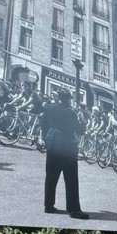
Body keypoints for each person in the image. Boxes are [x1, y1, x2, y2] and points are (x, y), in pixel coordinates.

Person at [42, 89, 88, 219]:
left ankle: (48, 205)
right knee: (71, 178)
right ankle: (73, 210)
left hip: (52, 143)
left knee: (51, 176)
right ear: (67, 99)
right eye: (70, 99)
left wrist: (46, 138)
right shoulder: (71, 113)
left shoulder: (49, 107)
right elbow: (80, 131)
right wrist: (83, 120)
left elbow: (44, 124)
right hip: (67, 147)